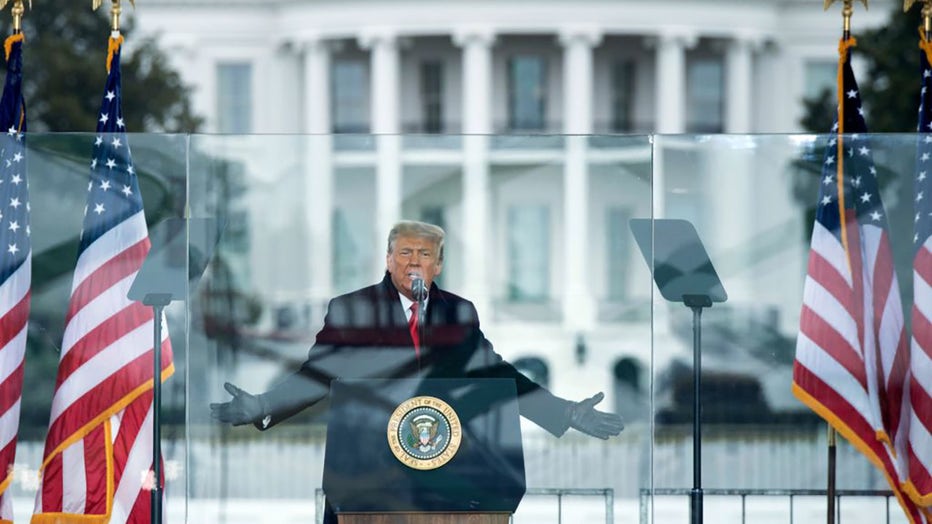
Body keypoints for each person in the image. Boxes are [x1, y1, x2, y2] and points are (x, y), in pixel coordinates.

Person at [211, 220, 624, 521]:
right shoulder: (353, 309)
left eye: (424, 254)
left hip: (447, 486)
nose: (414, 262)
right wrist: (264, 404)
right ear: (388, 259)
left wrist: (564, 412)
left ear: (438, 265)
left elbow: (496, 375)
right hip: (368, 482)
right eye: (405, 252)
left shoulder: (458, 312)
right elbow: (319, 373)